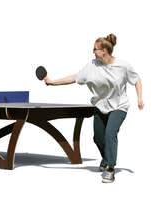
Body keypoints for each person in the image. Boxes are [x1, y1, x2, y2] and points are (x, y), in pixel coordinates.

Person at [44, 33, 144, 183]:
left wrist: (140, 98)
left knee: (110, 133)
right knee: (98, 138)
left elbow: (136, 80)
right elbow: (74, 77)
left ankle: (110, 168)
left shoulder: (123, 65)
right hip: (100, 106)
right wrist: (53, 82)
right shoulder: (92, 66)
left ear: (104, 50)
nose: (93, 51)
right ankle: (106, 157)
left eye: (95, 49)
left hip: (119, 106)